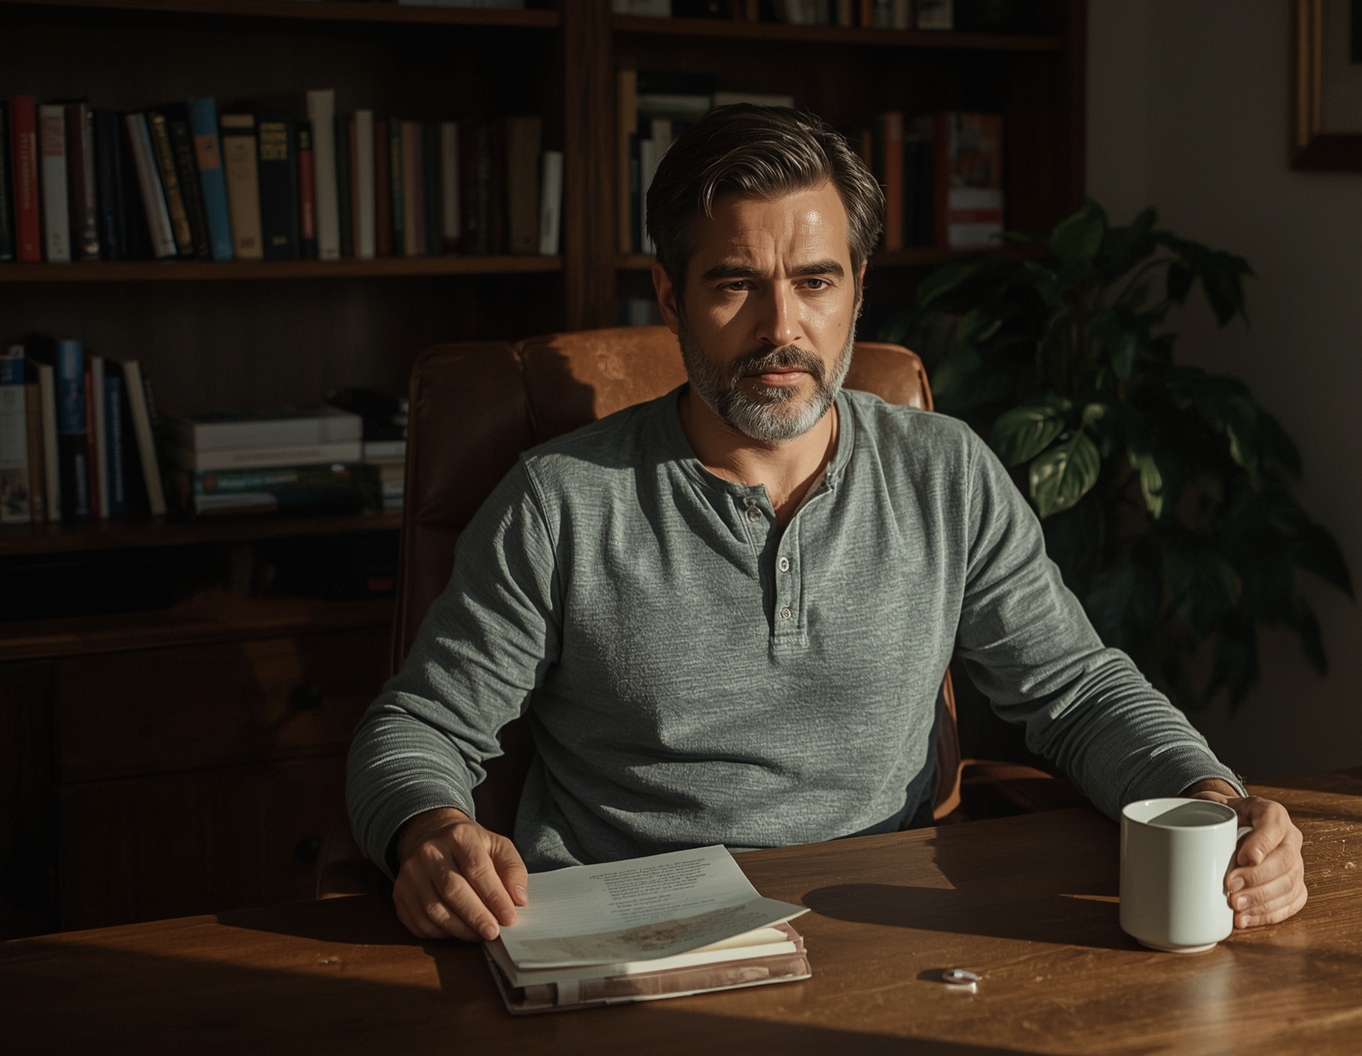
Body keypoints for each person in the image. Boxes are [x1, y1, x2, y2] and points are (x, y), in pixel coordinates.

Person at [345, 104, 1306, 943]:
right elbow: (419, 727)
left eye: (814, 281)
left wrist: (1213, 799)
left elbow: (1079, 691)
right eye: (734, 284)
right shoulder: (559, 501)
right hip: (628, 932)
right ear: (671, 293)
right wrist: (428, 835)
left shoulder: (946, 471)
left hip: (885, 925)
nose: (781, 330)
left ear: (856, 290)